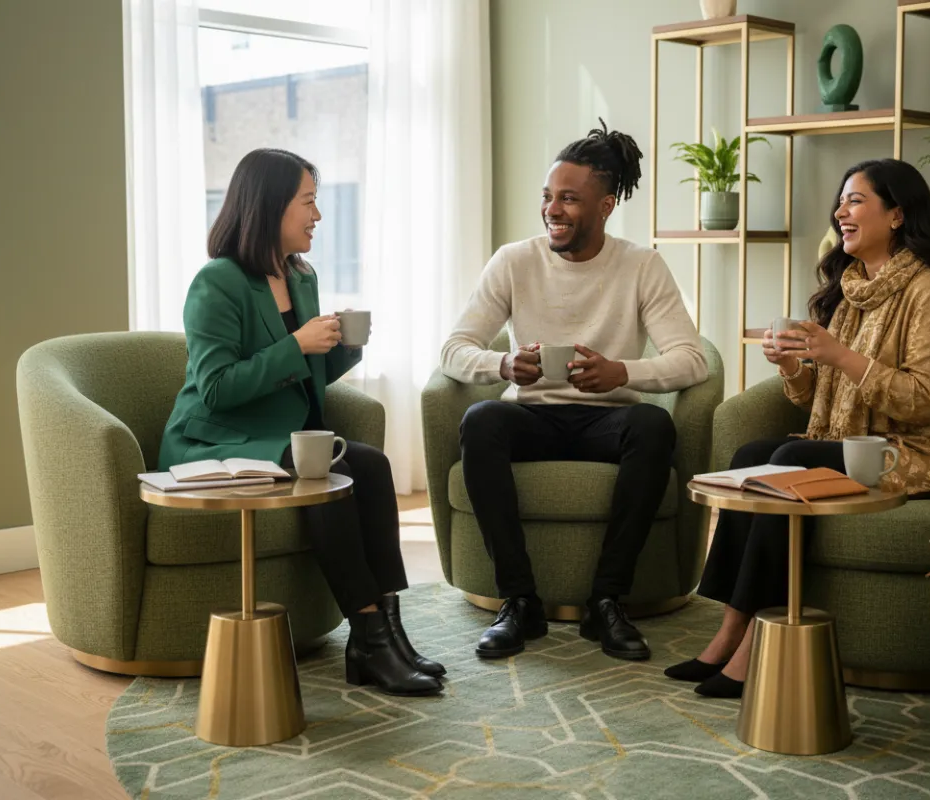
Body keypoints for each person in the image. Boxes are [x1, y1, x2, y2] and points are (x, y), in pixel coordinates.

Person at [665, 158, 930, 697]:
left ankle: (752, 648)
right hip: (853, 444)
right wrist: (793, 366)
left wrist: (839, 355)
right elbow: (819, 398)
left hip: (914, 450)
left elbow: (926, 401)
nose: (840, 211)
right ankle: (728, 633)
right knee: (751, 455)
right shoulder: (852, 289)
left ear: (896, 215)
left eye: (855, 200)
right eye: (840, 202)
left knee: (790, 462)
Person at [158, 148, 443, 697]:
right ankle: (369, 634)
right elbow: (216, 389)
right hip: (217, 440)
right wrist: (297, 343)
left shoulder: (299, 276)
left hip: (280, 438)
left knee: (371, 465)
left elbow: (304, 377)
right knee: (324, 476)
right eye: (308, 202)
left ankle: (387, 633)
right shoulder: (217, 282)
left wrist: (344, 346)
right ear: (270, 206)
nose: (318, 215)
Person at [440, 120, 709, 661]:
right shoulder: (514, 261)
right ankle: (519, 601)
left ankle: (606, 602)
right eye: (547, 197)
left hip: (608, 422)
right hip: (533, 418)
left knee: (652, 425)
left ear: (606, 206)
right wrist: (504, 364)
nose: (552, 210)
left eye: (568, 199)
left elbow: (692, 358)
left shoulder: (641, 265)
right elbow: (453, 348)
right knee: (482, 421)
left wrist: (622, 373)